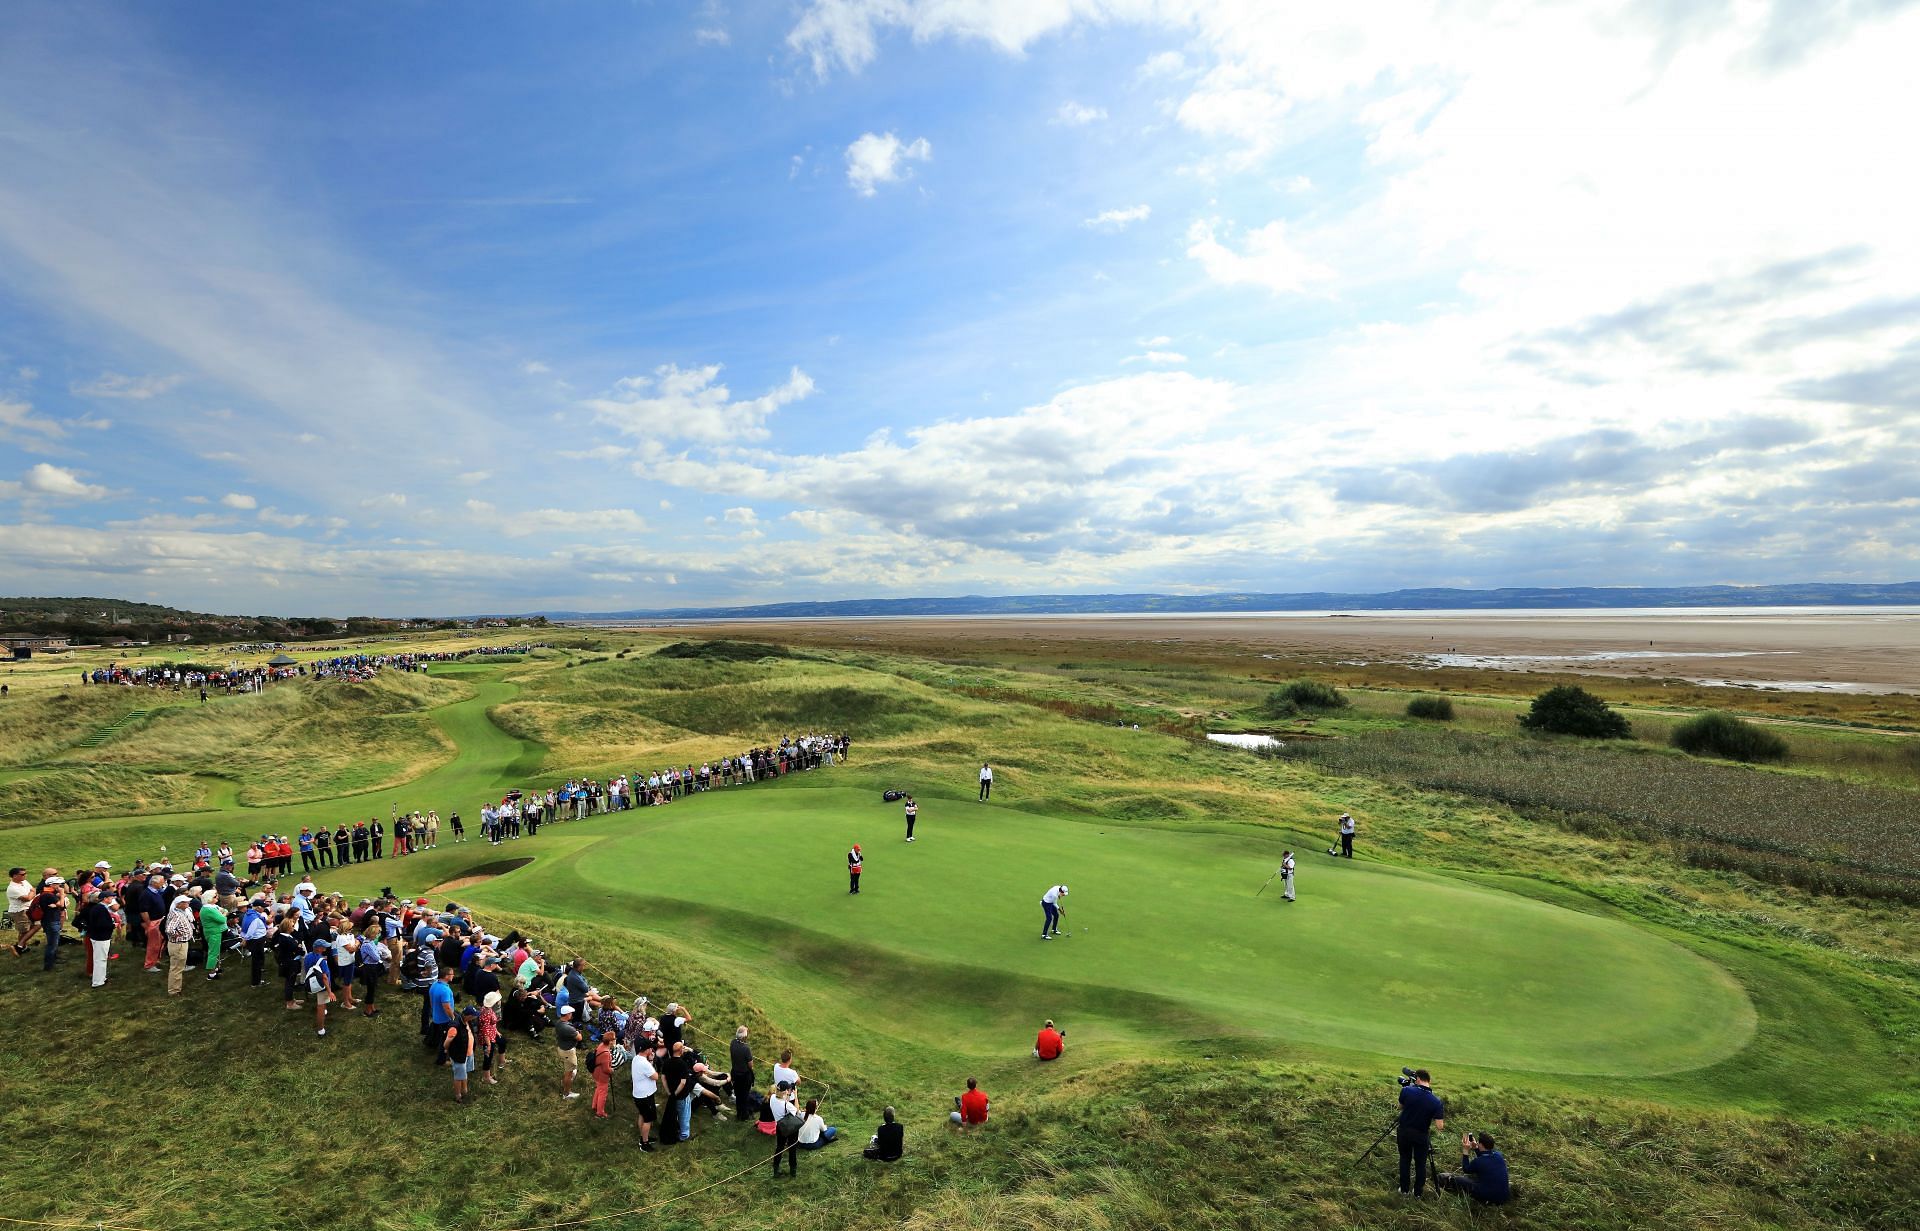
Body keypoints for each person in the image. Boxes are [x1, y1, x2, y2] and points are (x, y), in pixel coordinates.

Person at [1397, 1069, 1447, 1197]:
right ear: (1429, 1081)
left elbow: (1400, 1107)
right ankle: (1418, 1193)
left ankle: (1404, 1190)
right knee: (1420, 1164)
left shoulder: (1407, 1090)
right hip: (1421, 1135)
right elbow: (1439, 1126)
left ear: (1417, 1079)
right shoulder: (1436, 1101)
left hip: (1404, 1131)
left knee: (1404, 1159)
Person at [1435, 1131, 1510, 1204]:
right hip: (1503, 1197)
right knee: (1478, 1176)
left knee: (1460, 1180)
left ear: (1481, 1144)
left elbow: (1466, 1169)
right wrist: (1476, 1148)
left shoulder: (1478, 1162)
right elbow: (1485, 1158)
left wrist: (1465, 1150)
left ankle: (1443, 1180)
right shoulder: (1498, 1155)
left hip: (1489, 1198)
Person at [76, 890, 118, 988]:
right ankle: (98, 982)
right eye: (111, 897)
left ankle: (101, 978)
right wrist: (112, 925)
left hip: (98, 937)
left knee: (100, 959)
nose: (113, 899)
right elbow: (101, 925)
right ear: (105, 899)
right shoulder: (100, 909)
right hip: (101, 937)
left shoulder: (98, 908)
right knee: (100, 960)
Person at [630, 1039, 659, 1151]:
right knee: (648, 1119)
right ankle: (644, 1143)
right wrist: (651, 1061)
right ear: (646, 1050)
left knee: (642, 1115)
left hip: (639, 1095)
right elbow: (655, 1076)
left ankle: (643, 1136)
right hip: (646, 1096)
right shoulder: (644, 1063)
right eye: (650, 1048)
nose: (651, 1050)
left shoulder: (636, 1059)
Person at [164, 894, 196, 995]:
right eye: (185, 902)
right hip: (179, 945)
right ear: (179, 904)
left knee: (177, 967)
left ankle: (175, 988)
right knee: (177, 968)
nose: (188, 903)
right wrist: (177, 935)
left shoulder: (179, 912)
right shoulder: (177, 915)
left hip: (180, 944)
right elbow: (169, 929)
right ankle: (174, 991)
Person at [302, 939, 334, 1036]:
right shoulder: (321, 961)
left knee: (321, 1004)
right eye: (323, 947)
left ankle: (324, 1010)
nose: (325, 948)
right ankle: (321, 1030)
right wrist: (330, 992)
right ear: (319, 948)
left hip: (313, 983)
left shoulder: (308, 956)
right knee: (320, 1005)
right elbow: (324, 977)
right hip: (322, 985)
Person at [446, 1007, 478, 1102]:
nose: (475, 1018)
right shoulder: (455, 1025)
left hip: (468, 1053)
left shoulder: (467, 1022)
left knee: (464, 1074)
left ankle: (465, 1091)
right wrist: (447, 1052)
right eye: (473, 1016)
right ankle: (458, 1096)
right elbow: (446, 1043)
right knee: (459, 1077)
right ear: (468, 1016)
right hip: (459, 1056)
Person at [556, 1004, 583, 1099]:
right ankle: (566, 1093)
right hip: (568, 1052)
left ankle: (566, 1079)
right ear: (567, 1014)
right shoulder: (568, 1028)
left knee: (569, 1069)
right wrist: (578, 1031)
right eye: (571, 1013)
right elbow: (580, 1038)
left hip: (562, 1048)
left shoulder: (559, 1022)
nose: (571, 1015)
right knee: (569, 1073)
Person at [590, 1034, 614, 1118]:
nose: (615, 1040)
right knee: (603, 1093)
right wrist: (611, 1070)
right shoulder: (606, 1053)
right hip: (602, 1075)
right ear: (610, 1041)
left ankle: (594, 1105)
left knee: (599, 1088)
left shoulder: (601, 1045)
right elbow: (606, 1069)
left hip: (596, 1072)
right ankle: (600, 1112)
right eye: (614, 1039)